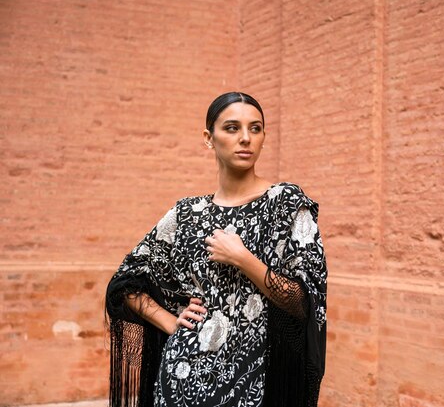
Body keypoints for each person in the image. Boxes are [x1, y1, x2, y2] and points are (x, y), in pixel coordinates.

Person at [105, 92, 327, 407]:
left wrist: (243, 259)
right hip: (180, 379)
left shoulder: (285, 204)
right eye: (232, 128)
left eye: (256, 128)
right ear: (209, 138)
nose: (246, 139)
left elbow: (303, 302)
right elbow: (124, 284)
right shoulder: (186, 213)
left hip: (252, 381)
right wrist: (170, 321)